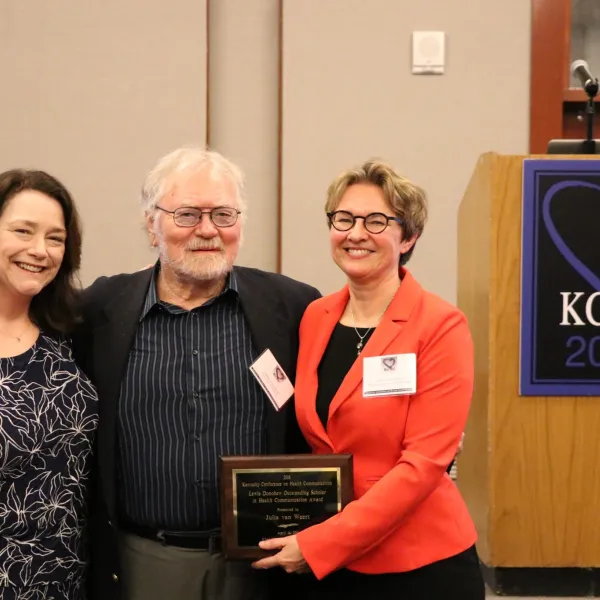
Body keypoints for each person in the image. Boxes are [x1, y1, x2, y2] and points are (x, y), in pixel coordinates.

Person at [71, 147, 321, 600]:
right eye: (187, 214)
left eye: (224, 214)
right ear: (152, 224)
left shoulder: (295, 307)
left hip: (267, 562)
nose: (208, 230)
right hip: (147, 560)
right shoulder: (97, 311)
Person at [253, 159, 485, 600]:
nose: (356, 233)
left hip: (419, 564)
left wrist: (322, 543)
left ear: (409, 236)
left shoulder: (440, 325)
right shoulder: (315, 318)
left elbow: (421, 467)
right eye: (344, 219)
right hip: (330, 564)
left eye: (376, 221)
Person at [0, 169, 98, 599]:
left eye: (55, 238)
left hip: (67, 578)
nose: (39, 251)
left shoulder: (71, 328)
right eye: (22, 231)